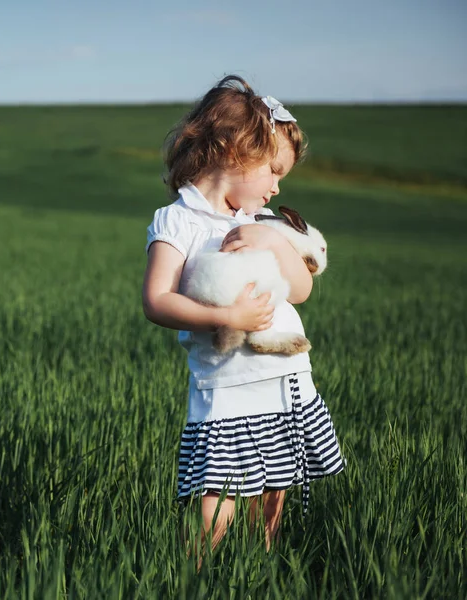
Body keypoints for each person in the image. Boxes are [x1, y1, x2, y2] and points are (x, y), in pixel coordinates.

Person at [142, 75, 345, 561]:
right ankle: (192, 577)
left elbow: (302, 289)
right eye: (273, 171)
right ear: (236, 153)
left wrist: (274, 241)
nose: (277, 188)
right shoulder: (179, 221)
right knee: (219, 504)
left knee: (272, 497)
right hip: (227, 387)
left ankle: (258, 575)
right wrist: (227, 315)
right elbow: (157, 300)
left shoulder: (254, 224)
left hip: (282, 378)